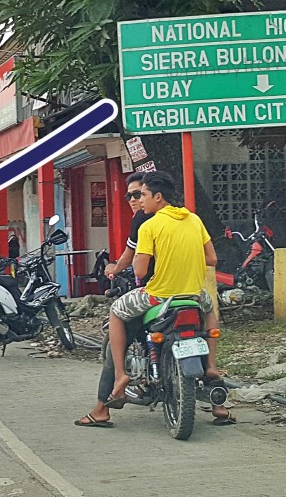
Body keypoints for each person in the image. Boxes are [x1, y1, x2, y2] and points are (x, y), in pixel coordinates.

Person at [104, 171, 223, 408]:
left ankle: (120, 375)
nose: (141, 200)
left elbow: (139, 272)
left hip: (158, 297)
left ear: (158, 197)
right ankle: (211, 365)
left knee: (116, 311)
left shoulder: (150, 225)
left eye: (144, 195)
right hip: (193, 295)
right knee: (210, 310)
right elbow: (212, 259)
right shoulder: (194, 219)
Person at [75, 172, 151, 429]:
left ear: (154, 194)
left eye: (138, 194)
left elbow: (136, 265)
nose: (133, 199)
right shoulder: (187, 218)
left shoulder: (145, 221)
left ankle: (105, 403)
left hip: (156, 293)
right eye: (129, 195)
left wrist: (114, 269)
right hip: (192, 293)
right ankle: (219, 402)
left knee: (115, 338)